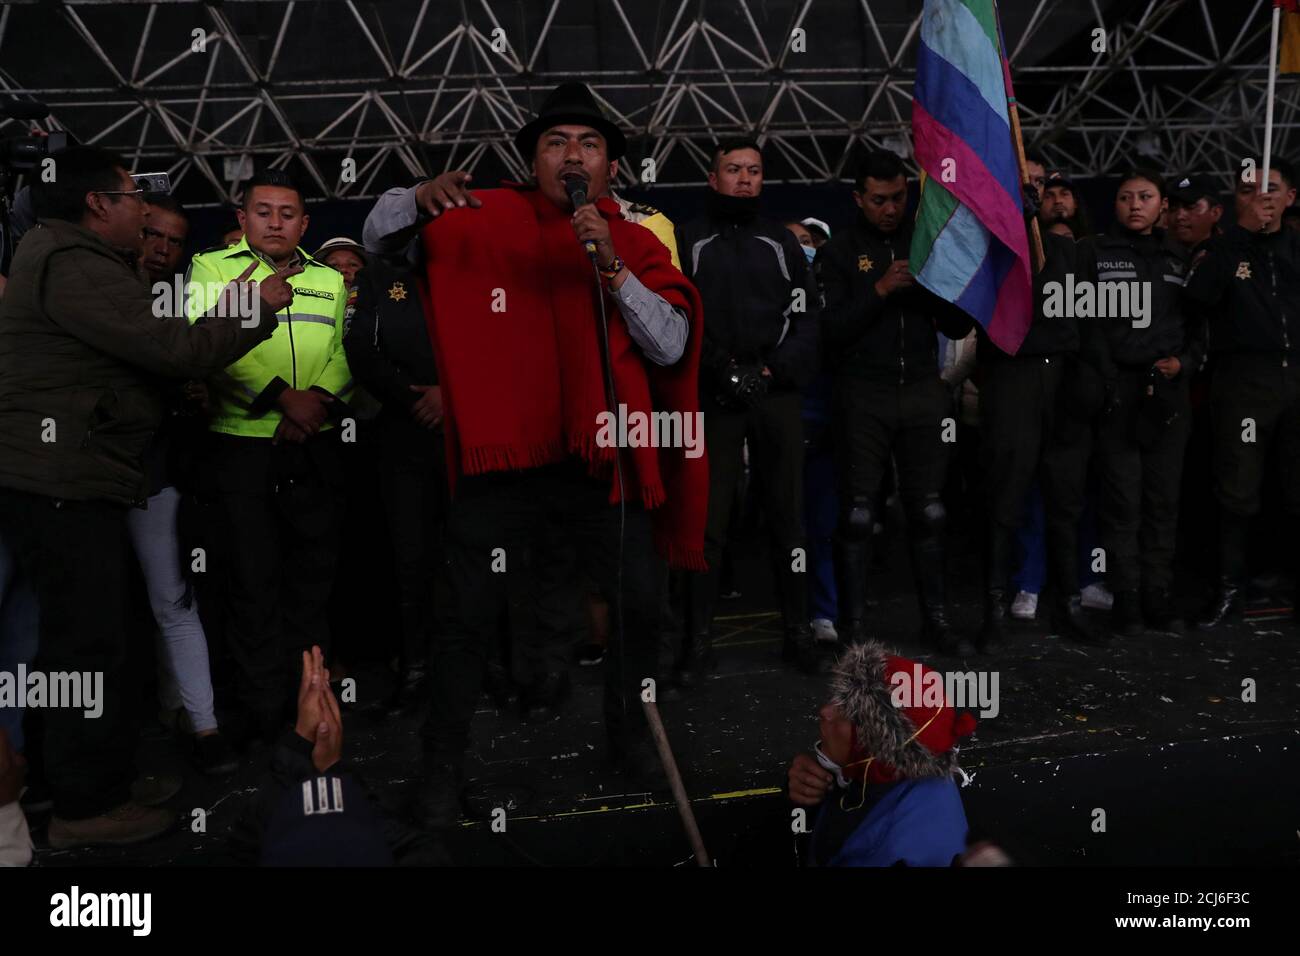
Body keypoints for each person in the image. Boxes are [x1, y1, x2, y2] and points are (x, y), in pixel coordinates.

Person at [370, 81, 706, 826]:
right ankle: (441, 768)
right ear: (532, 162)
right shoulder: (480, 218)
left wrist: (613, 267)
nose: (572, 156)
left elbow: (673, 343)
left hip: (603, 458)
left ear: (611, 167)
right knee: (462, 614)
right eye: (555, 144)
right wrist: (414, 195)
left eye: (588, 145)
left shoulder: (636, 238)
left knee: (641, 606)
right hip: (508, 463)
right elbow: (376, 239)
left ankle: (630, 738)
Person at [0, 146, 278, 846]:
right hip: (62, 479)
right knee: (84, 649)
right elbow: (171, 347)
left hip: (68, 476)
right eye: (131, 197)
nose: (143, 209)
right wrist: (254, 306)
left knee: (86, 641)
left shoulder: (67, 257)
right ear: (97, 204)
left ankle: (93, 781)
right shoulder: (73, 262)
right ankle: (84, 809)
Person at [185, 169, 353, 745]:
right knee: (251, 584)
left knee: (313, 583)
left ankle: (314, 708)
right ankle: (260, 715)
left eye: (287, 213)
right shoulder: (211, 269)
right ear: (242, 218)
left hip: (316, 447)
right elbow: (207, 345)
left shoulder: (330, 280)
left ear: (304, 223)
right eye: (263, 212)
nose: (275, 222)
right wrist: (284, 398)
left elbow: (343, 351)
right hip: (241, 449)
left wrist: (319, 404)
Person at [674, 138, 822, 680]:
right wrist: (722, 370)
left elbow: (807, 318)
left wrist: (769, 372)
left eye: (754, 171)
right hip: (713, 395)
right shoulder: (689, 239)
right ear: (712, 179)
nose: (744, 179)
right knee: (707, 525)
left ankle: (798, 633)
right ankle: (696, 643)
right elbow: (677, 315)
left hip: (774, 392)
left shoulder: (782, 242)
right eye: (733, 170)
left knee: (789, 518)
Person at [816, 149, 974, 655]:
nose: (891, 208)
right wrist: (880, 289)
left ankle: (938, 620)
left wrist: (927, 287)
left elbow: (957, 323)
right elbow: (828, 334)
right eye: (879, 200)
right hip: (862, 393)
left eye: (899, 197)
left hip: (924, 390)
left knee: (929, 511)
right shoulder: (839, 252)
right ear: (858, 198)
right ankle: (854, 628)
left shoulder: (926, 243)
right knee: (859, 514)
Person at [132, 194, 239, 774]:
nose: (162, 249)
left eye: (174, 242)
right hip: (84, 477)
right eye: (153, 234)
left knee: (173, 601)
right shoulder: (95, 290)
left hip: (159, 474)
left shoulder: (186, 303)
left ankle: (203, 726)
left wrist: (198, 392)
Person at [976, 183, 1106, 650]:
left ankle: (1069, 603)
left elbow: (1092, 327)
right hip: (1013, 379)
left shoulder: (1075, 253)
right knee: (1005, 500)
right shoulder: (991, 251)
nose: (1042, 199)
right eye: (1028, 194)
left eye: (1047, 191)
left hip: (1065, 382)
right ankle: (993, 607)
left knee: (1066, 501)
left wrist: (1091, 386)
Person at [1078, 168, 1201, 636]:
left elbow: (1199, 326)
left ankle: (1158, 596)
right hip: (1117, 391)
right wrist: (1108, 378)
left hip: (1168, 391)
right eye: (1126, 197)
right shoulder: (1095, 252)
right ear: (1115, 205)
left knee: (1162, 501)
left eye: (1145, 196)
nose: (1135, 204)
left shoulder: (1181, 256)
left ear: (1162, 206)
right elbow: (1084, 323)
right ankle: (1126, 598)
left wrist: (1184, 364)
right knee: (1121, 501)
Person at [1188, 159, 1300, 629]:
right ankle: (1230, 591)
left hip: (1296, 377)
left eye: (1271, 189)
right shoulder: (1223, 250)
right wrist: (1241, 233)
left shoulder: (1297, 247)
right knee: (1236, 489)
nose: (1261, 197)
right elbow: (1196, 298)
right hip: (1242, 382)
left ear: (1291, 197)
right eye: (1249, 190)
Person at [343, 233, 447, 715]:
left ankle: (481, 664)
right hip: (402, 438)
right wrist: (415, 397)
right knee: (410, 560)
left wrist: (453, 395)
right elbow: (361, 351)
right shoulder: (379, 278)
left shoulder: (473, 275)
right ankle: (416, 669)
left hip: (468, 439)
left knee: (471, 560)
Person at [786, 641, 976, 866]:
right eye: (838, 698)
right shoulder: (898, 778)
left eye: (852, 714)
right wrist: (810, 791)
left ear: (882, 748)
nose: (825, 712)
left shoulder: (893, 850)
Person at [1167, 175, 1224, 253]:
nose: (1179, 216)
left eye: (1190, 207)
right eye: (1172, 209)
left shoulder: (1235, 256)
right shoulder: (1156, 255)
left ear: (1215, 213)